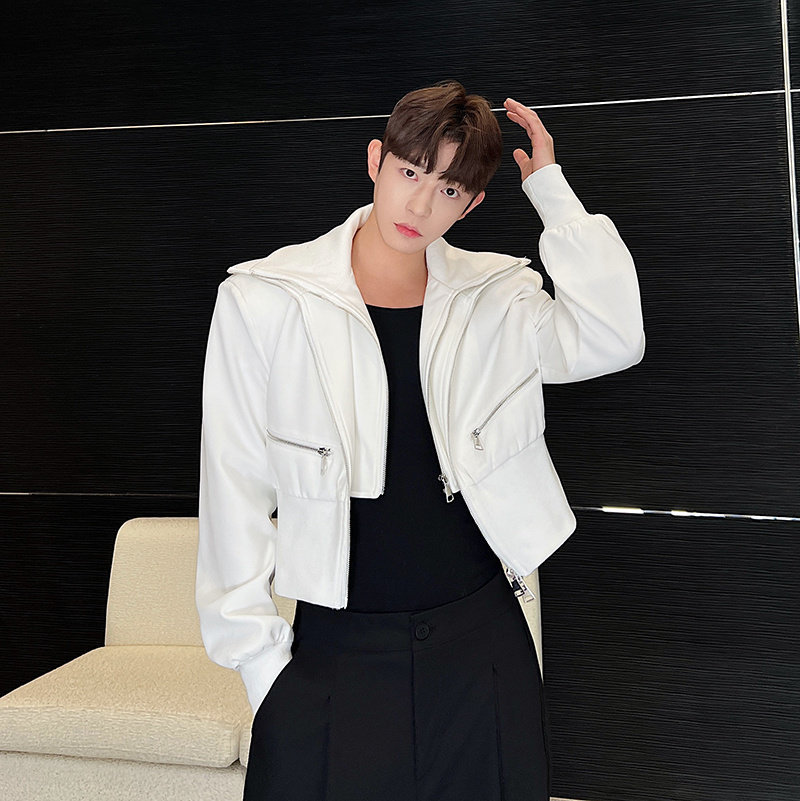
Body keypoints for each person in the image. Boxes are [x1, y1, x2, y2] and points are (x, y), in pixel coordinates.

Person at [196, 80, 645, 801]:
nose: (419, 205)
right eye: (410, 172)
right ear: (376, 160)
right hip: (333, 652)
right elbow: (232, 486)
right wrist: (262, 669)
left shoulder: (496, 294)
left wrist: (553, 193)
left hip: (481, 642)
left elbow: (614, 338)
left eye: (449, 190)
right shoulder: (265, 299)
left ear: (472, 204)